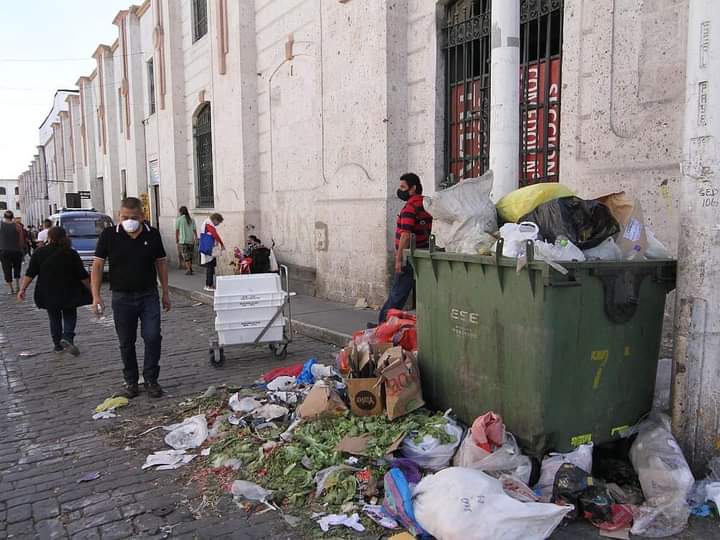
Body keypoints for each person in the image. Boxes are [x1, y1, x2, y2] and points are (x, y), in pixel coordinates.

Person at [91, 197, 171, 399]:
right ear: (119, 215)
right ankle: (131, 381)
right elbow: (98, 265)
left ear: (142, 216)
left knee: (152, 337)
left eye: (133, 217)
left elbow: (160, 263)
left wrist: (166, 292)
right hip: (122, 297)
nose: (129, 221)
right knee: (126, 341)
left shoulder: (152, 235)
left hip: (148, 296)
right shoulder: (110, 235)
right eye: (125, 217)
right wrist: (96, 295)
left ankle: (151, 379)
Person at [17, 227, 92, 354]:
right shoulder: (70, 253)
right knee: (69, 314)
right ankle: (68, 337)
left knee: (54, 317)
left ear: (49, 238)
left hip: (47, 291)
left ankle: (57, 345)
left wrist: (22, 289)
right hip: (69, 290)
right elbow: (82, 275)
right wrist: (91, 289)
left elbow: (30, 273)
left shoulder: (39, 253)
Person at [377, 173, 432, 324]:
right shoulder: (427, 204)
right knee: (421, 295)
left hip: (409, 258)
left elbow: (405, 236)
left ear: (413, 188)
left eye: (403, 187)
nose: (400, 190)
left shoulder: (409, 208)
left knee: (397, 295)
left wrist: (398, 259)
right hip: (423, 255)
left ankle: (381, 327)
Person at [0, 210, 23, 295]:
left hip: (4, 250)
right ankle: (17, 285)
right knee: (17, 267)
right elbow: (21, 240)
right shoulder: (17, 226)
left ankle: (11, 289)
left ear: (4, 217)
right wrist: (21, 249)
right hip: (16, 250)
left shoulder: (0, 225)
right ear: (12, 217)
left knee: (6, 269)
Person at [200, 213, 225, 292]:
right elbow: (215, 235)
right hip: (209, 249)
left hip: (208, 248)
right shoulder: (209, 224)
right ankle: (208, 285)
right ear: (215, 220)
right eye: (218, 222)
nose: (218, 224)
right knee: (210, 267)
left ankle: (209, 284)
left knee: (211, 267)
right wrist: (222, 244)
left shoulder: (207, 223)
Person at [175, 206, 197, 275]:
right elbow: (194, 230)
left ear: (181, 212)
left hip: (183, 240)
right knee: (190, 255)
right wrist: (196, 237)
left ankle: (189, 270)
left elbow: (177, 231)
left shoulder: (179, 219)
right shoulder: (192, 219)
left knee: (186, 256)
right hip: (191, 240)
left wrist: (177, 239)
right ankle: (190, 268)